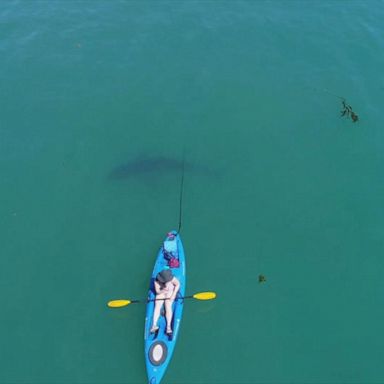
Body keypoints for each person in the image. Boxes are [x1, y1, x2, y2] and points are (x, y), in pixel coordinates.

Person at [150, 268, 180, 335]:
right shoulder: (157, 281)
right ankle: (154, 325)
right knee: (157, 306)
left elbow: (178, 284)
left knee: (168, 306)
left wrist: (173, 294)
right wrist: (163, 290)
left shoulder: (172, 278)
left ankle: (168, 327)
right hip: (161, 293)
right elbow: (157, 291)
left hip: (170, 292)